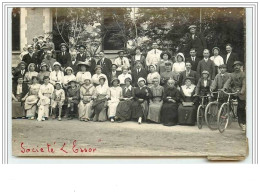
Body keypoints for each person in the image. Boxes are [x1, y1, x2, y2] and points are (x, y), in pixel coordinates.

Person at [223, 61, 246, 131]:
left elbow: (244, 84)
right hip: (233, 91)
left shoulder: (243, 74)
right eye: (235, 66)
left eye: (238, 65)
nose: (236, 67)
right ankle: (228, 111)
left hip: (241, 92)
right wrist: (225, 88)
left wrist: (242, 91)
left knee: (241, 107)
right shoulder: (231, 75)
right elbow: (228, 81)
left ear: (240, 67)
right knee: (225, 97)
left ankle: (242, 123)